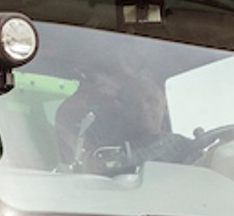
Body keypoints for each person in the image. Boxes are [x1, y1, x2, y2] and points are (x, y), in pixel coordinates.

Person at [53, 63, 190, 173]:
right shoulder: (104, 152)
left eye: (151, 101)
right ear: (124, 110)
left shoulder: (183, 146)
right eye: (135, 103)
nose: (144, 109)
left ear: (164, 107)